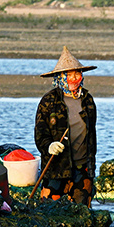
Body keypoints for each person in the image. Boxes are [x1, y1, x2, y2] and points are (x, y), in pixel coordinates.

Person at [34, 46, 97, 206]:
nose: (74, 78)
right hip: (56, 168)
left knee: (82, 212)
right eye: (69, 75)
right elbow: (40, 133)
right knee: (50, 211)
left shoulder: (88, 100)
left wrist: (91, 168)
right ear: (60, 77)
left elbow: (92, 134)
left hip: (82, 168)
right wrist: (49, 146)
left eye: (77, 74)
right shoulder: (48, 101)